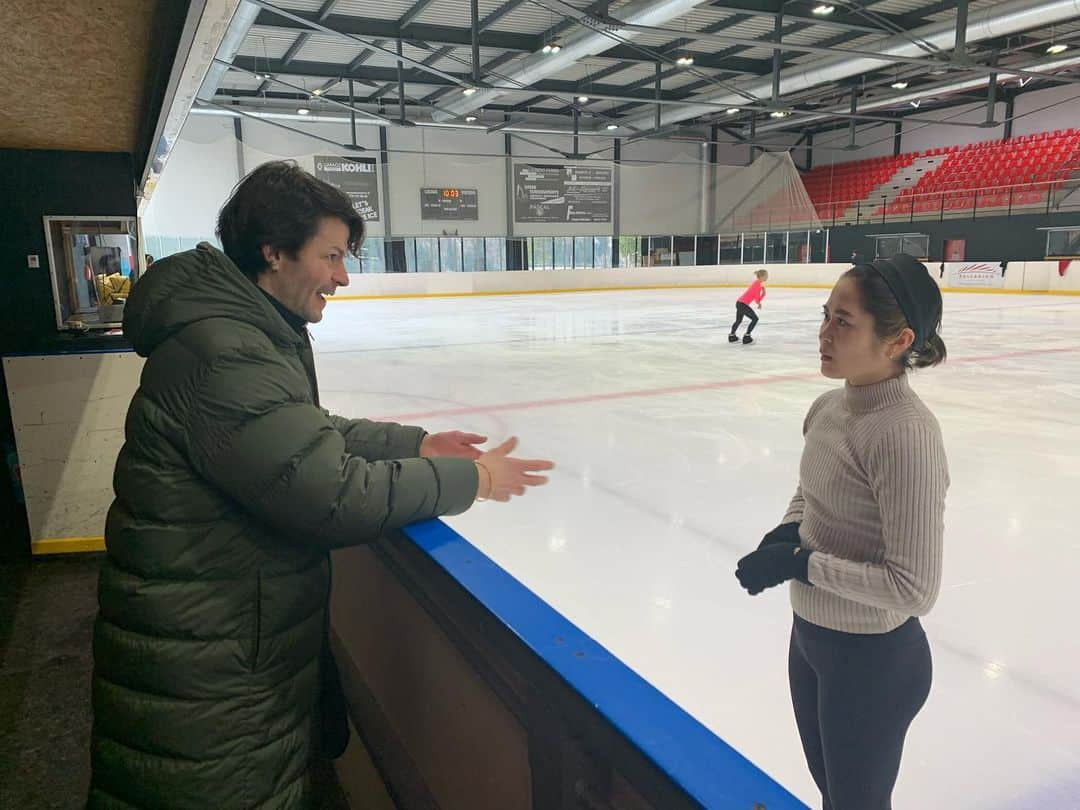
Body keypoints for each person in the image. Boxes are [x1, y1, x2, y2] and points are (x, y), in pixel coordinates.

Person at [88, 160, 554, 809]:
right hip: (208, 669)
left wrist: (412, 443)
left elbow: (295, 429)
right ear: (274, 253)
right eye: (331, 255)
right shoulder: (226, 351)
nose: (343, 275)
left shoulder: (232, 332)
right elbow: (330, 495)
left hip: (216, 643)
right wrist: (470, 479)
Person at [734, 253, 949, 810]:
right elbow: (812, 489)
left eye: (843, 322)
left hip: (871, 662)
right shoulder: (828, 407)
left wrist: (802, 565)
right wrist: (786, 532)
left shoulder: (905, 436)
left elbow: (913, 589)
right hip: (810, 638)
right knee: (834, 796)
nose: (823, 333)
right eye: (825, 314)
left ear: (898, 341)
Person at [729, 269, 768, 344]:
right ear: (762, 276)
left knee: (738, 320)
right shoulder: (757, 284)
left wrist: (761, 296)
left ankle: (732, 336)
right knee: (755, 319)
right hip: (742, 304)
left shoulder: (756, 283)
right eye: (766, 275)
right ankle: (747, 337)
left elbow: (755, 298)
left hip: (739, 303)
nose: (767, 277)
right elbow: (757, 299)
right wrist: (763, 294)